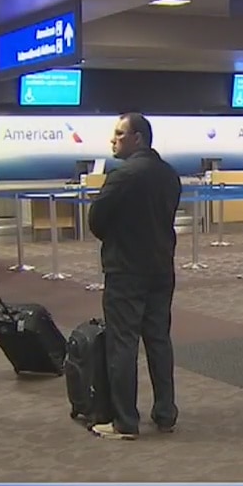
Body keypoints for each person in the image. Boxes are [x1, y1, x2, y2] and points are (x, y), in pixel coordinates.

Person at [87, 112, 182, 441]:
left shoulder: (122, 176)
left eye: (119, 133)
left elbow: (96, 221)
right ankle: (166, 413)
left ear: (137, 138)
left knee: (123, 343)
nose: (113, 139)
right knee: (158, 340)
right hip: (161, 267)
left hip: (126, 270)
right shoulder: (169, 175)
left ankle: (125, 421)